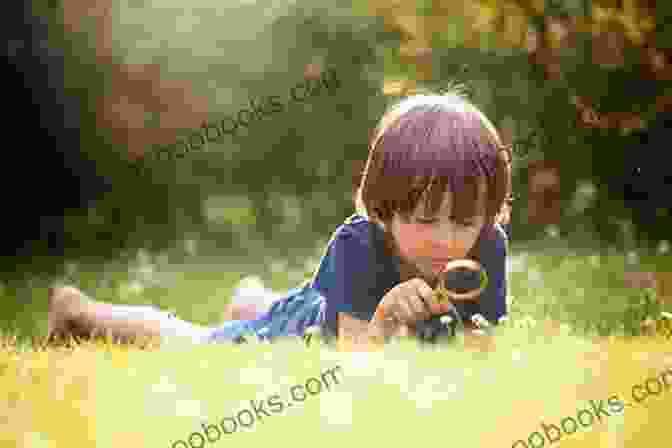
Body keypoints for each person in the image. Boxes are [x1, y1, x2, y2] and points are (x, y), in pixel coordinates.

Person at [47, 89, 513, 350]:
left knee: (282, 303)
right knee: (202, 344)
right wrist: (387, 316)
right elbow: (356, 362)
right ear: (384, 209)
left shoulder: (486, 244)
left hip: (320, 300)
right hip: (317, 325)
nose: (446, 238)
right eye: (426, 219)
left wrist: (472, 339)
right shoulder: (358, 244)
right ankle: (79, 312)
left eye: (464, 221)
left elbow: (482, 344)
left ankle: (252, 299)